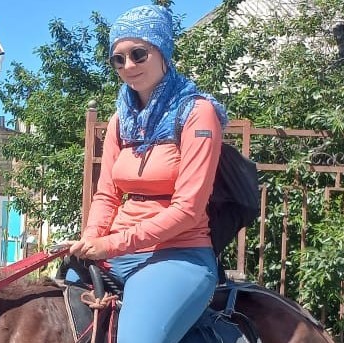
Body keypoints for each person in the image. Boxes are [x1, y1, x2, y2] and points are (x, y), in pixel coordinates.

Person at [59, 5, 230, 342]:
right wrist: (90, 240)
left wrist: (109, 245)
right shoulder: (120, 120)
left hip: (178, 255)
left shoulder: (198, 113)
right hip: (116, 251)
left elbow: (188, 210)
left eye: (139, 54)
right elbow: (107, 194)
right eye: (118, 59)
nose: (129, 66)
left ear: (163, 50)